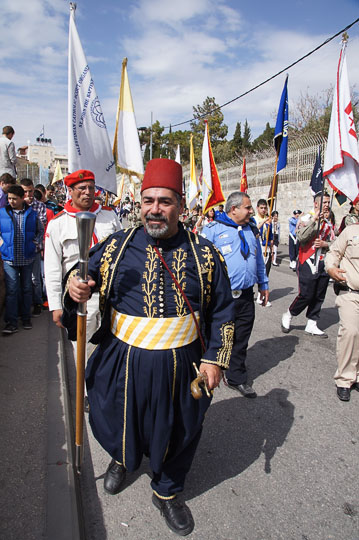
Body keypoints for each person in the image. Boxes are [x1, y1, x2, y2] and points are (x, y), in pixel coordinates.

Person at [64, 159, 234, 536]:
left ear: (181, 205)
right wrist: (76, 285)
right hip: (122, 357)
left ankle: (168, 491)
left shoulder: (205, 254)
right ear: (139, 204)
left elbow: (224, 309)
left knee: (180, 430)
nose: (154, 209)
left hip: (182, 363)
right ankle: (123, 458)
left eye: (164, 201)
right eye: (147, 201)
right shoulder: (116, 245)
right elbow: (81, 273)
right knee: (116, 416)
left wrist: (215, 360)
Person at [44, 169, 121, 358]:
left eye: (91, 188)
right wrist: (56, 306)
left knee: (112, 354)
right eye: (82, 188)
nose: (87, 192)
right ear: (70, 190)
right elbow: (52, 268)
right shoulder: (58, 223)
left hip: (111, 299)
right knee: (84, 355)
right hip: (80, 299)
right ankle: (86, 389)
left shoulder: (109, 216)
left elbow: (121, 252)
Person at [201, 191, 269, 399]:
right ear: (233, 209)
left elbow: (257, 260)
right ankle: (205, 370)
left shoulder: (251, 229)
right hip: (221, 296)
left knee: (241, 338)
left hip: (246, 295)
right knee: (213, 334)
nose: (251, 211)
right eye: (248, 208)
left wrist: (263, 284)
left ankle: (236, 377)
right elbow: (202, 262)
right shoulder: (213, 229)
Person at [281, 192, 334, 337]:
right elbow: (301, 237)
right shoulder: (307, 218)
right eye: (324, 202)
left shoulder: (329, 221)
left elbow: (335, 242)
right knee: (306, 294)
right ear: (316, 203)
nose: (326, 205)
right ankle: (289, 314)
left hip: (323, 261)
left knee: (319, 294)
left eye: (328, 202)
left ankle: (312, 323)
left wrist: (326, 244)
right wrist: (315, 221)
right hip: (308, 261)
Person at [0, 185, 43, 334]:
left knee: (26, 289)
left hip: (27, 258)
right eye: (9, 198)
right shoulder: (2, 213)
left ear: (21, 199)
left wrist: (35, 244)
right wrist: (2, 245)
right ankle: (11, 322)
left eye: (14, 198)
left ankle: (26, 318)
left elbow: (40, 231)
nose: (11, 201)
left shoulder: (32, 213)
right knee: (12, 290)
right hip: (9, 259)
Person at [325, 224, 359, 401]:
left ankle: (357, 374)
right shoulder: (351, 231)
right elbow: (333, 252)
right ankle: (345, 379)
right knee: (351, 332)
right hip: (351, 292)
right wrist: (331, 268)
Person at [20, 178, 47, 317]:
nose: (28, 195)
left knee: (35, 279)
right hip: (19, 251)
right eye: (25, 192)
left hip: (34, 249)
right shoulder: (17, 206)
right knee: (21, 281)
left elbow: (40, 228)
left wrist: (33, 244)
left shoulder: (40, 206)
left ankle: (37, 303)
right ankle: (24, 306)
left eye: (30, 191)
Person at [254, 198, 273, 306]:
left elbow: (270, 236)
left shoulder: (268, 220)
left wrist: (271, 244)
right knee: (255, 273)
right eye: (261, 208)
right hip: (257, 249)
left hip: (267, 249)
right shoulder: (254, 219)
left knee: (265, 272)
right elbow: (255, 230)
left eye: (265, 208)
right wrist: (264, 222)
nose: (263, 210)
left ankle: (261, 295)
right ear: (257, 208)